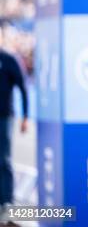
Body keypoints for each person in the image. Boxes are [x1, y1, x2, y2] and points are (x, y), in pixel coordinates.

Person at [0, 42, 28, 217]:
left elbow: (23, 88)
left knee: (3, 160)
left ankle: (7, 204)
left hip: (3, 117)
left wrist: (25, 116)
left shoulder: (8, 59)